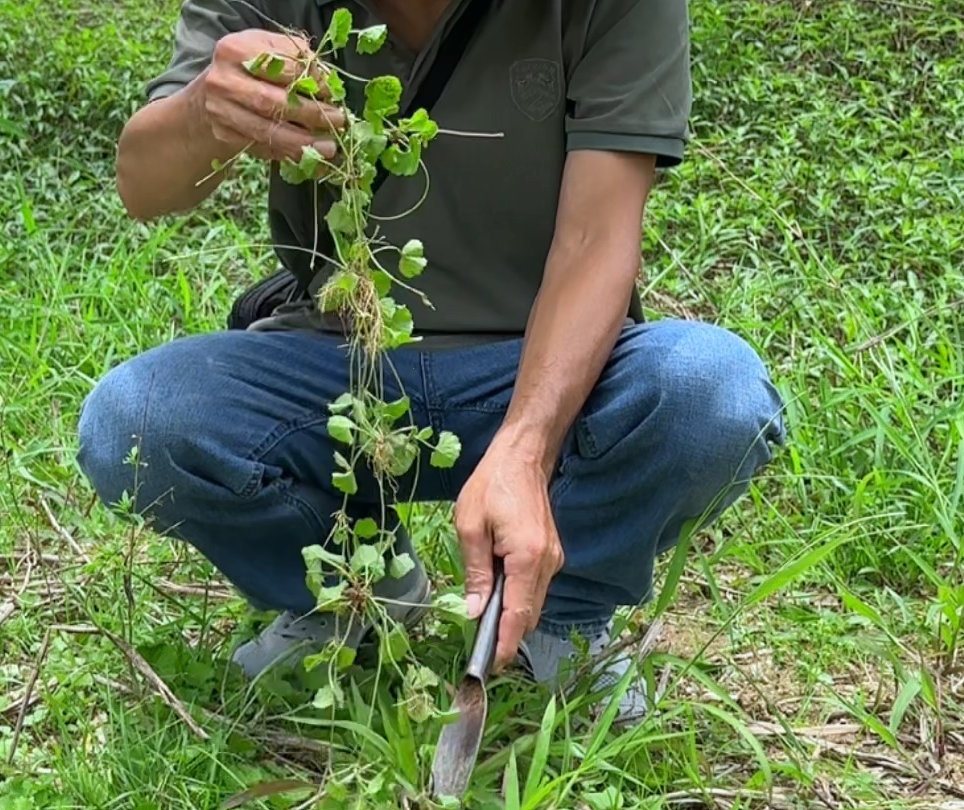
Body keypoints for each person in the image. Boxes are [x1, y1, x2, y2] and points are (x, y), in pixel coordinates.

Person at [77, 0, 786, 724]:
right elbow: (143, 185)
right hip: (337, 354)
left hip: (543, 361)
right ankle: (357, 585)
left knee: (713, 394)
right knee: (133, 423)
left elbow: (595, 241)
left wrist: (525, 446)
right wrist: (205, 112)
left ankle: (560, 612)